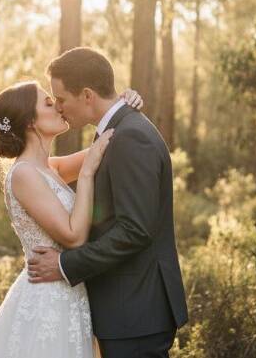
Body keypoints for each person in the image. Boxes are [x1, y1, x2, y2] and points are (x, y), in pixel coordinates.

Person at [28, 46, 188, 358]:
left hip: (136, 311)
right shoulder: (116, 131)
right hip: (126, 309)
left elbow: (134, 230)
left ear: (87, 95)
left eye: (61, 98)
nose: (58, 107)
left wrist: (63, 265)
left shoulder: (130, 137)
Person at [0, 77, 143, 358]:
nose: (59, 108)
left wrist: (122, 104)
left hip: (70, 293)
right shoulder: (23, 174)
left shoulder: (51, 168)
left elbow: (110, 141)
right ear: (30, 122)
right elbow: (73, 237)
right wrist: (86, 175)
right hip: (46, 300)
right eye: (49, 103)